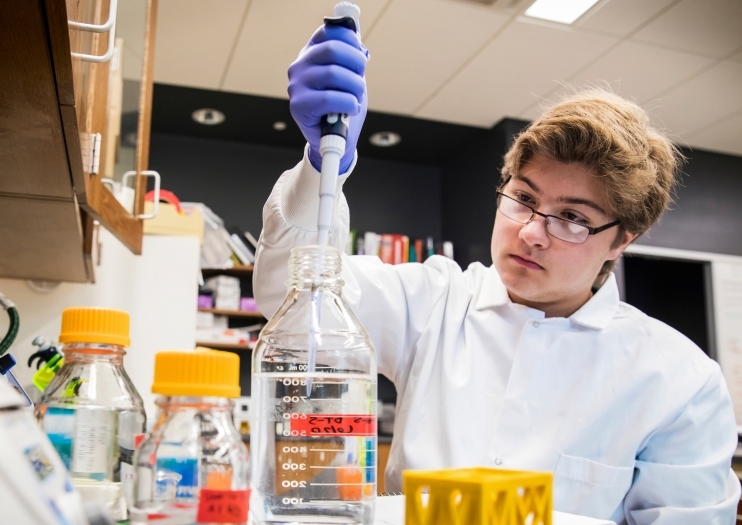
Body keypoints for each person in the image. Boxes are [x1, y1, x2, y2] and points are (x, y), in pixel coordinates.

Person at [253, 23, 740, 524]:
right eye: (524, 198)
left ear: (622, 239)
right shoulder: (436, 300)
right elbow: (287, 292)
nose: (531, 232)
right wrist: (321, 163)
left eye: (572, 218)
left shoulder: (679, 378)